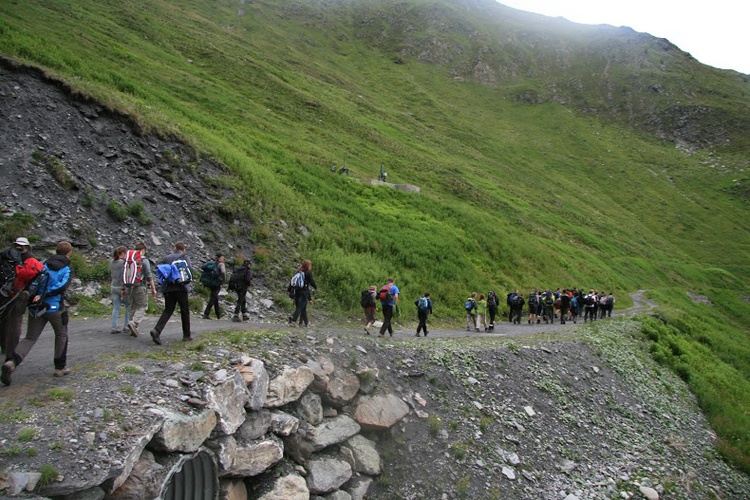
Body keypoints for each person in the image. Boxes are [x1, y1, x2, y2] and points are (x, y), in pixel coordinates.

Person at [2, 241, 73, 386]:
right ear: (69, 253)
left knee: (30, 338)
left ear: (56, 251)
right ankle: (60, 367)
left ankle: (12, 362)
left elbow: (35, 281)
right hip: (54, 307)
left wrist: (39, 296)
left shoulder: (44, 264)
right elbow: (62, 286)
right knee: (61, 334)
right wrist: (48, 295)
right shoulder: (66, 268)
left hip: (37, 306)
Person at [0, 237, 43, 361]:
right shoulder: (30, 259)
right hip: (20, 294)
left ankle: (3, 345)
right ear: (27, 247)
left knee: (3, 318)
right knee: (15, 323)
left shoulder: (5, 255)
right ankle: (11, 354)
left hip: (4, 292)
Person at [149, 241, 193, 345]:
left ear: (174, 248)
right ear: (184, 249)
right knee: (184, 311)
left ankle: (156, 331)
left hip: (168, 288)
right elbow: (190, 270)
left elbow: (161, 271)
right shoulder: (184, 257)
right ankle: (186, 335)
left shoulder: (167, 258)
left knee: (168, 310)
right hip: (181, 288)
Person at [124, 242, 157, 338]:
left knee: (132, 306)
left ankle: (133, 328)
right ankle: (134, 323)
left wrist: (123, 288)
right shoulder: (144, 260)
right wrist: (153, 288)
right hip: (140, 286)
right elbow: (148, 276)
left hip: (129, 286)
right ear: (143, 250)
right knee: (143, 306)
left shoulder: (128, 260)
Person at [289, 259, 317, 328]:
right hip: (304, 292)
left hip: (297, 292)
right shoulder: (308, 272)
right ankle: (293, 321)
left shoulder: (299, 271)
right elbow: (312, 282)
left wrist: (290, 290)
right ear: (308, 265)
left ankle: (306, 323)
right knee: (299, 307)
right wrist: (315, 287)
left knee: (303, 308)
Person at [108, 246, 129, 334]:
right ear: (123, 253)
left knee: (116, 307)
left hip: (113, 285)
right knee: (128, 306)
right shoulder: (123, 263)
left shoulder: (111, 262)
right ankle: (126, 325)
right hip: (122, 287)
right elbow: (125, 276)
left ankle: (114, 326)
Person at [202, 252, 226, 320]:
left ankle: (218, 314)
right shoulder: (221, 264)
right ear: (219, 258)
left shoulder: (212, 263)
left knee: (215, 297)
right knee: (213, 298)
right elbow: (223, 272)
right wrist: (224, 281)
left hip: (210, 283)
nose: (223, 259)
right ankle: (206, 313)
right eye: (222, 258)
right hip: (216, 283)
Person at [232, 257, 253, 322]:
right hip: (243, 287)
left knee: (243, 300)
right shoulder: (248, 270)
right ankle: (235, 315)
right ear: (249, 264)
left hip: (237, 287)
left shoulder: (239, 269)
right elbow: (248, 279)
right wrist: (248, 284)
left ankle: (244, 315)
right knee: (240, 301)